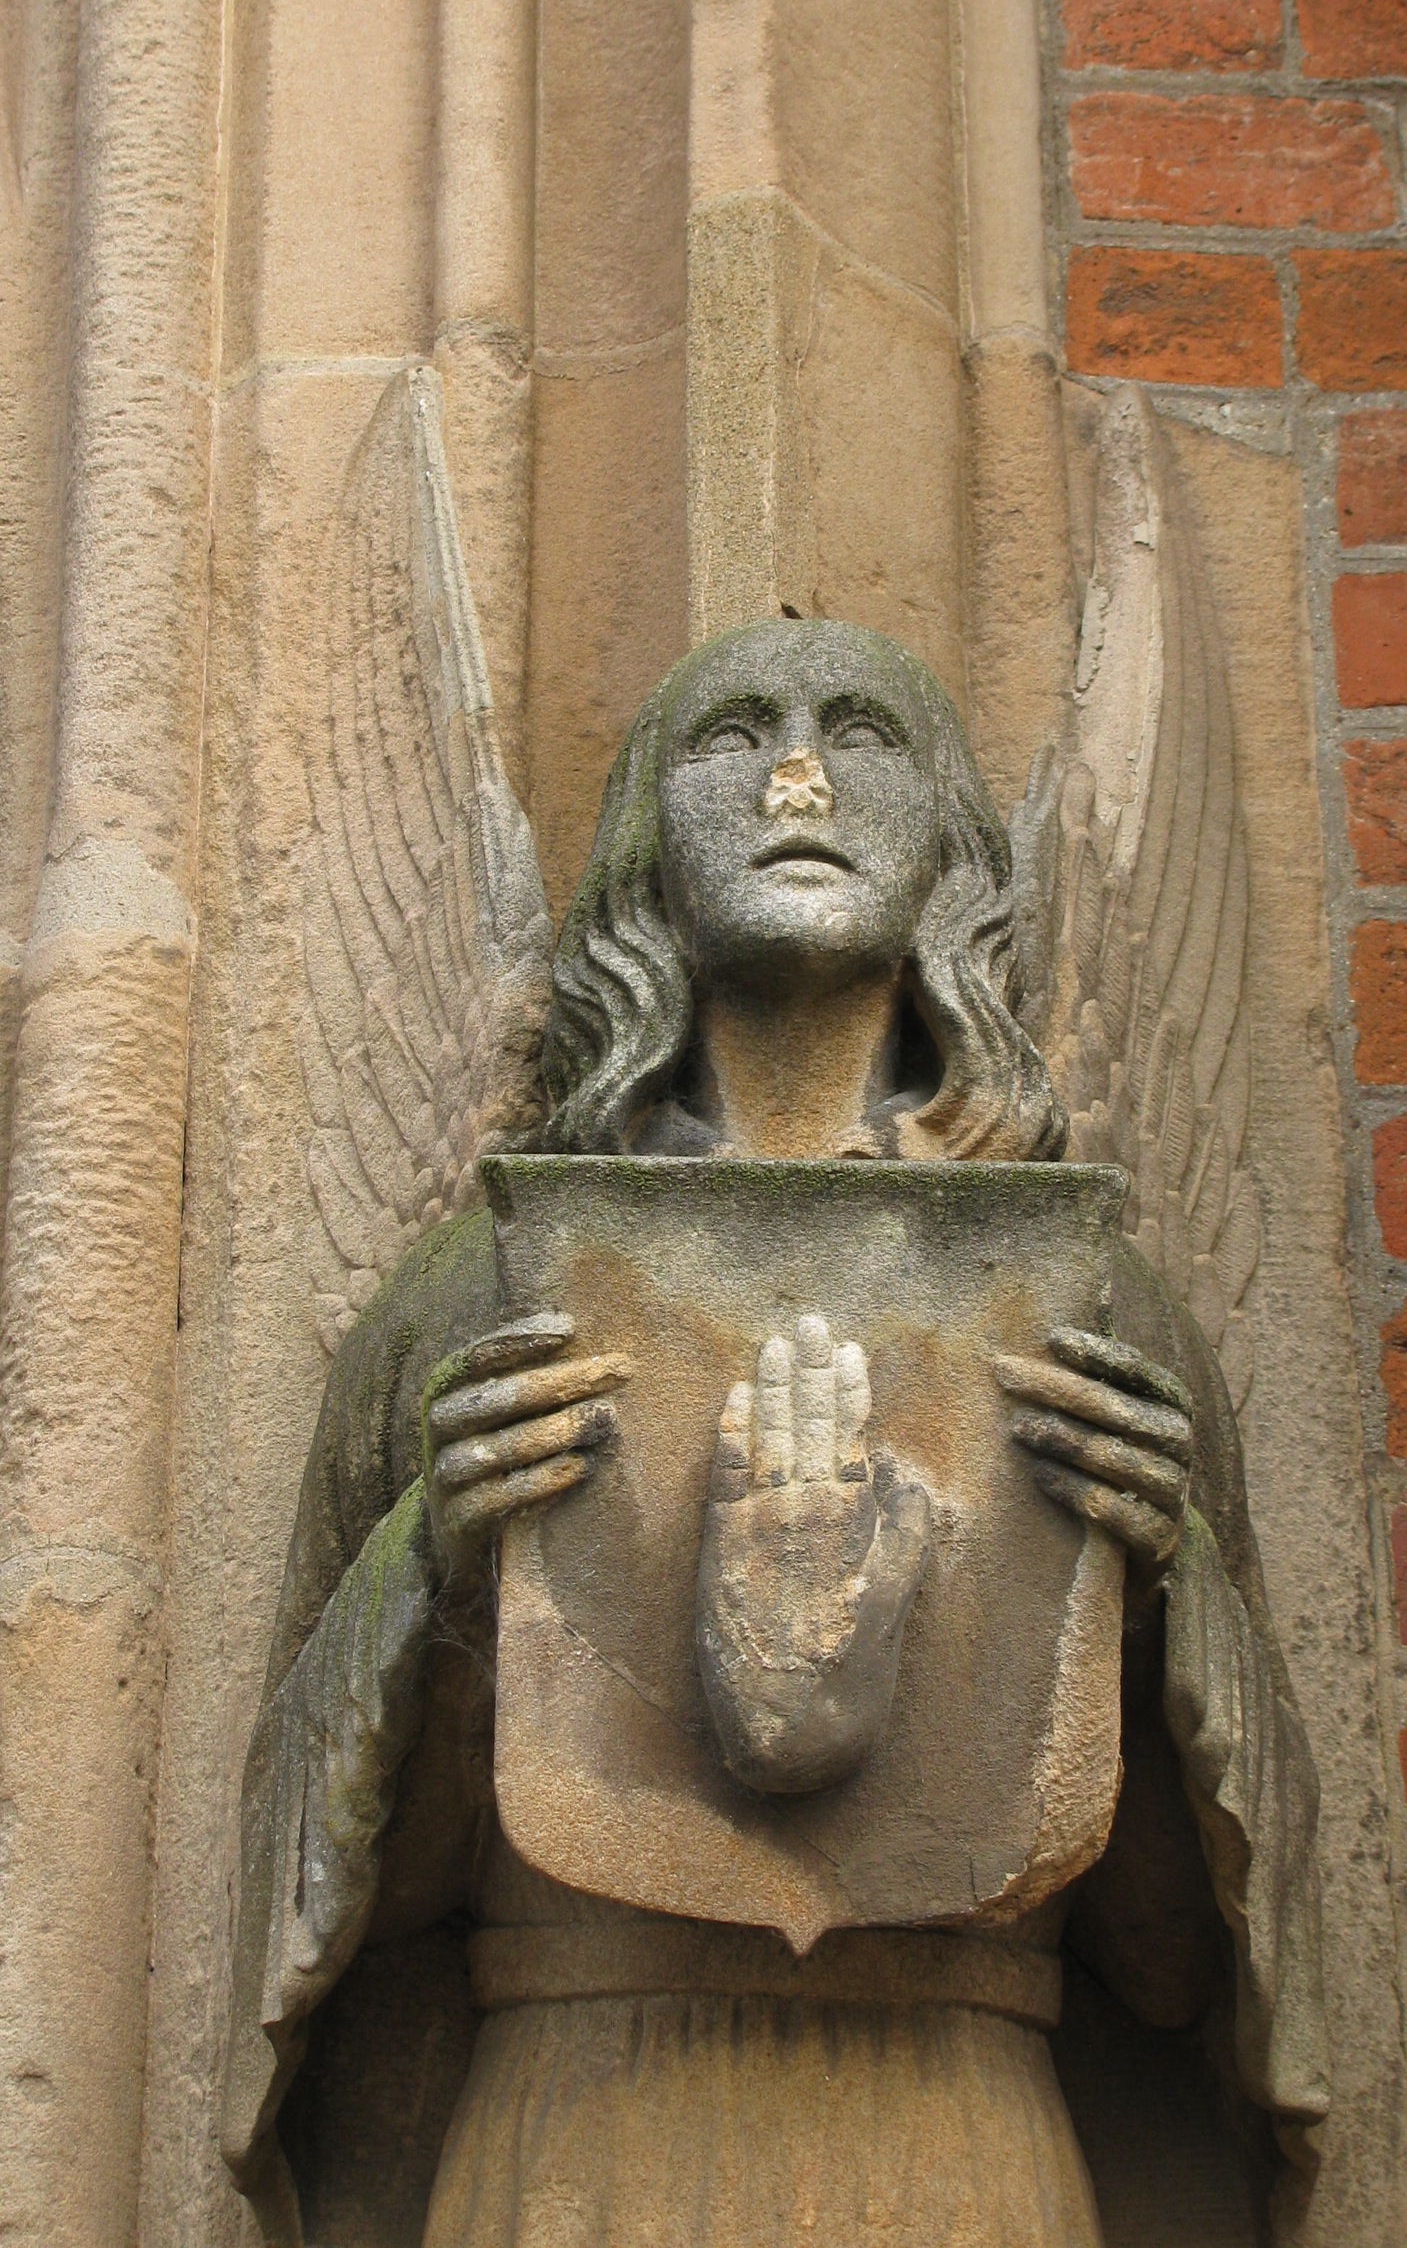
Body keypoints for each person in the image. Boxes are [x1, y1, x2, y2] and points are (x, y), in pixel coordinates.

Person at [223, 620, 1328, 2246]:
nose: (794, 777)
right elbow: (362, 1924)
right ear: (644, 855)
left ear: (953, 851)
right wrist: (427, 1571)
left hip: (959, 2131)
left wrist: (1176, 1599)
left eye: (862, 734)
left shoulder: (1090, 1311)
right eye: (730, 735)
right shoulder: (486, 1296)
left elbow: (1165, 1966)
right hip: (585, 2123)